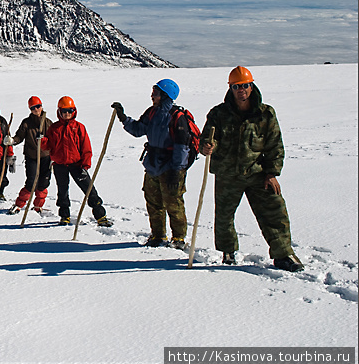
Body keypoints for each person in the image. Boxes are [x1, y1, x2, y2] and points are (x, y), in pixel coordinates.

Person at [199, 66, 304, 272]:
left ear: (251, 85)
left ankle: (283, 254)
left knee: (274, 211)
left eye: (245, 85)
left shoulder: (265, 114)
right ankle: (228, 252)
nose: (242, 90)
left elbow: (275, 144)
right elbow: (208, 139)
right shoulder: (218, 114)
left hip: (258, 173)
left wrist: (272, 173)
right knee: (224, 215)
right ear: (230, 88)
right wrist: (207, 146)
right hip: (227, 174)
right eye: (237, 86)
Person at [111, 79, 190, 249]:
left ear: (165, 95)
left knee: (173, 203)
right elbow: (139, 129)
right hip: (153, 164)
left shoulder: (177, 117)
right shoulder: (152, 112)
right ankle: (158, 235)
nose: (152, 95)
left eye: (156, 92)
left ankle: (179, 238)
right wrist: (124, 118)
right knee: (153, 202)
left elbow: (182, 147)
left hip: (171, 167)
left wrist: (177, 170)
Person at [41, 96, 113, 226]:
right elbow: (47, 147)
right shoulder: (54, 128)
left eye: (69, 110)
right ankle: (64, 216)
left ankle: (100, 216)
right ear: (59, 112)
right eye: (64, 111)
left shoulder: (79, 127)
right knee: (62, 192)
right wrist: (42, 140)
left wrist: (86, 164)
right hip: (60, 165)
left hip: (77, 165)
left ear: (74, 111)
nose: (67, 114)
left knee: (90, 190)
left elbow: (86, 147)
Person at [5, 96, 53, 215]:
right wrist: (12, 141)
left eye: (38, 107)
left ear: (42, 106)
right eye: (33, 108)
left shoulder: (48, 123)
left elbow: (54, 140)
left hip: (46, 157)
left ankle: (38, 206)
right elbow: (19, 137)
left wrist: (46, 141)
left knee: (43, 183)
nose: (36, 110)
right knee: (31, 183)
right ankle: (18, 205)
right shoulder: (26, 123)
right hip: (31, 157)